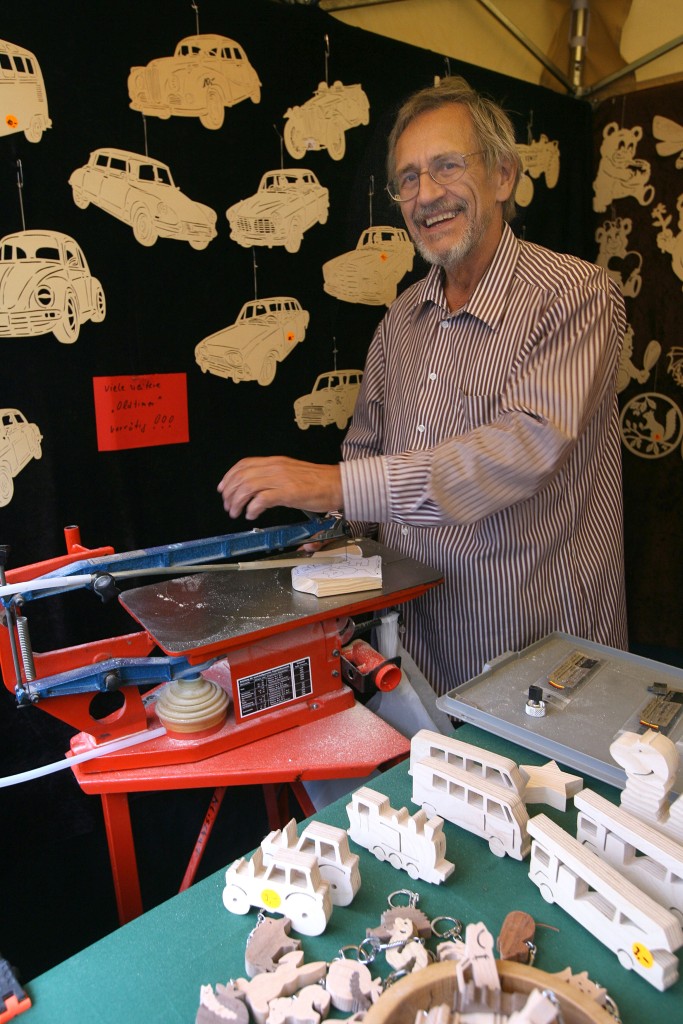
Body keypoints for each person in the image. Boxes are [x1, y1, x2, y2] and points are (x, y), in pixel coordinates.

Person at [217, 76, 628, 698]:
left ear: (503, 176)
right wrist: (326, 536)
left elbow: (524, 447)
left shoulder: (574, 295)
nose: (426, 195)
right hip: (418, 649)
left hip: (540, 653)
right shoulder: (401, 319)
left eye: (447, 166)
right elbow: (366, 450)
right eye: (408, 178)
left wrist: (335, 484)